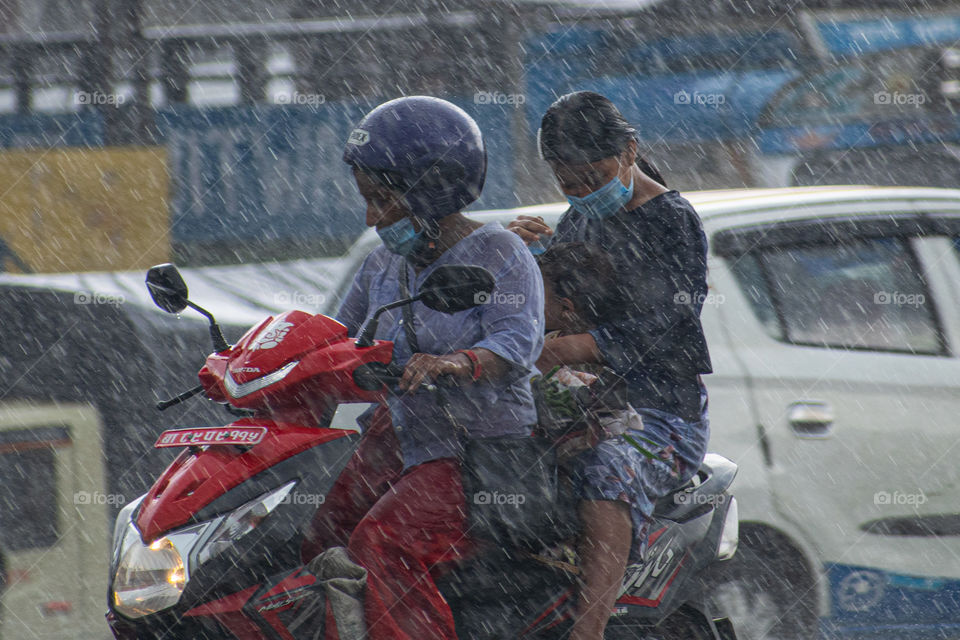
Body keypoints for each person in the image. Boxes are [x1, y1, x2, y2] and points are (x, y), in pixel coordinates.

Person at [301, 95, 544, 640]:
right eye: (366, 199)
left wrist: (455, 362)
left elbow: (516, 342)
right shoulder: (382, 262)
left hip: (476, 452)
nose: (370, 217)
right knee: (316, 530)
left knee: (381, 543)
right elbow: (335, 337)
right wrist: (263, 360)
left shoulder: (501, 253)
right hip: (398, 440)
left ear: (431, 193)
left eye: (383, 200)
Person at [509, 91, 712, 639]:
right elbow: (572, 295)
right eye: (567, 183)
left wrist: (574, 348)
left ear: (629, 151)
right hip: (585, 402)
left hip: (659, 413)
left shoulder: (672, 220)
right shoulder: (579, 220)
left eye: (592, 176)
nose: (581, 193)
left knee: (608, 470)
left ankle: (589, 627)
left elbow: (671, 327)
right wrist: (527, 256)